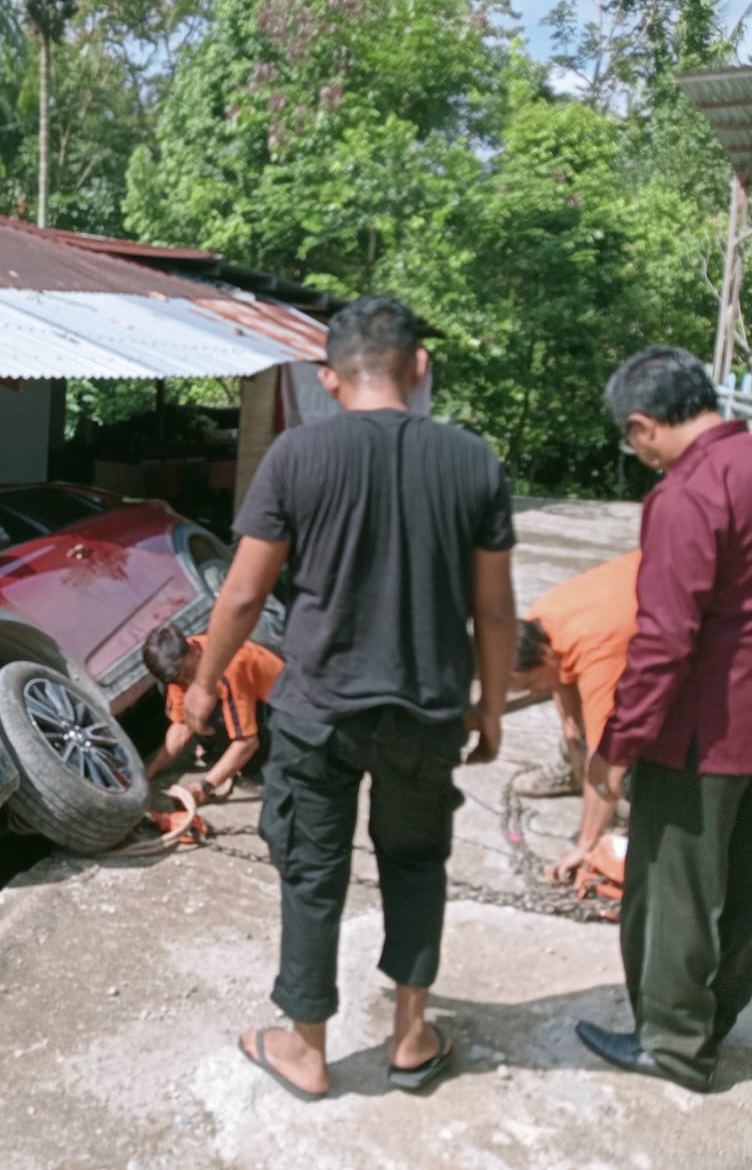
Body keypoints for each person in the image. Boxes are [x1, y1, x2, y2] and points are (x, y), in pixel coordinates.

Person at [184, 295, 516, 1100]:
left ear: (329, 379)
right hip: (426, 713)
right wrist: (493, 708)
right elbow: (496, 610)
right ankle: (410, 1037)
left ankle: (305, 1049)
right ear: (421, 366)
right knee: (414, 864)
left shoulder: (296, 459)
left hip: (317, 714)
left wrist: (202, 685)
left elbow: (239, 598)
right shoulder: (474, 462)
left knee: (312, 873)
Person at [574, 346, 752, 1093]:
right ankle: (715, 1022)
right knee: (749, 887)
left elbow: (665, 636)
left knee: (674, 894)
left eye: (633, 441)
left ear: (643, 425)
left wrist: (619, 742)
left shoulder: (689, 492)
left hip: (704, 732)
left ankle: (672, 1042)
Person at [507, 551, 640, 882]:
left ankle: (631, 793)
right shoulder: (540, 623)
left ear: (543, 655)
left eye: (531, 683)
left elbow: (607, 755)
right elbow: (559, 673)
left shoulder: (598, 654)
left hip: (695, 602)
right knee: (581, 739)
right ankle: (574, 772)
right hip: (628, 597)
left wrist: (585, 845)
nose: (535, 691)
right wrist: (571, 733)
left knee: (619, 763)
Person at [141, 622, 283, 806]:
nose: (186, 683)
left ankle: (261, 763)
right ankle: (229, 756)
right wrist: (150, 770)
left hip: (280, 708)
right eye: (180, 681)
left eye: (187, 674)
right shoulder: (180, 668)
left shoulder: (228, 667)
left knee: (272, 775)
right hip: (250, 704)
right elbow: (182, 724)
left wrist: (206, 787)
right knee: (198, 705)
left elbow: (247, 741)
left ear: (194, 651)